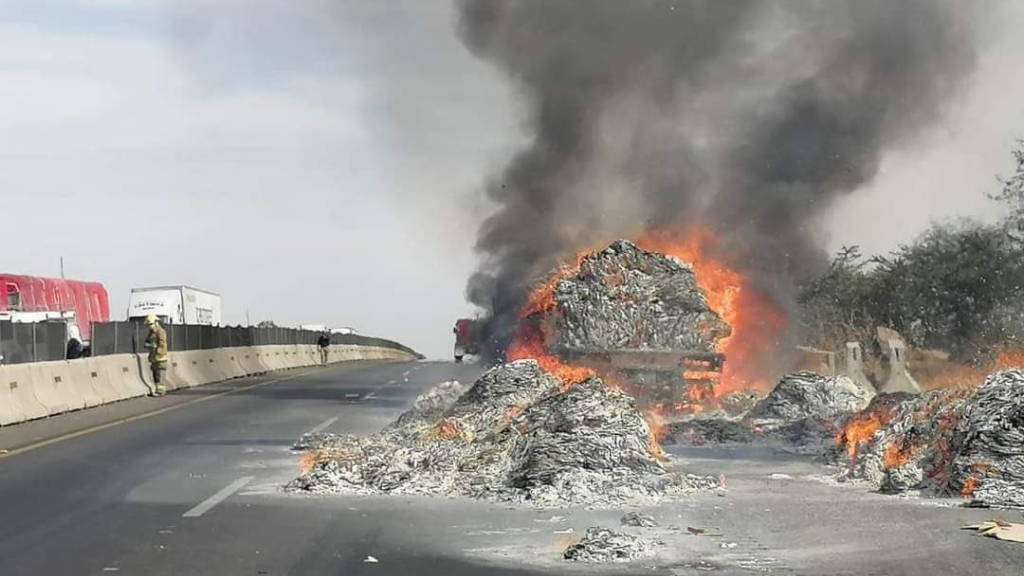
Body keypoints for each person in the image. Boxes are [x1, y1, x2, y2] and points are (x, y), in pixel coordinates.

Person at [144, 314, 169, 396]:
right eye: (148, 325)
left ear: (156, 322)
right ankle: (157, 390)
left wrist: (158, 352)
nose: (149, 326)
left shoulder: (160, 331)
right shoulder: (151, 333)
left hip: (160, 358)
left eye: (150, 324)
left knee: (160, 374)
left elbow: (162, 343)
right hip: (153, 357)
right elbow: (147, 342)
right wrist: (149, 346)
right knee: (155, 375)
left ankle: (161, 392)